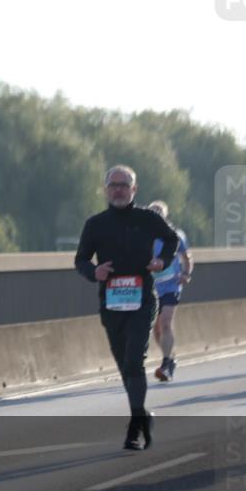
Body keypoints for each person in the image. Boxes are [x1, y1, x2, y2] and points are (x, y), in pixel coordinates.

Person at [74, 165, 180, 451]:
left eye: (124, 185)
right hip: (111, 303)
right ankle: (143, 415)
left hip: (143, 299)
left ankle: (135, 427)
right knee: (124, 365)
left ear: (134, 190)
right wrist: (93, 271)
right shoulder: (95, 224)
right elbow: (81, 259)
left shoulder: (147, 218)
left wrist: (163, 262)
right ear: (105, 189)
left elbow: (172, 240)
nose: (118, 189)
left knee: (135, 360)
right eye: (113, 185)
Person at [146, 200, 193, 381]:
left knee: (166, 322)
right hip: (151, 287)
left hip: (171, 285)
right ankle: (170, 357)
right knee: (156, 330)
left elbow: (187, 256)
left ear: (166, 216)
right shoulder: (143, 236)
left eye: (159, 213)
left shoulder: (175, 235)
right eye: (152, 213)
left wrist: (186, 274)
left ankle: (166, 364)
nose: (156, 216)